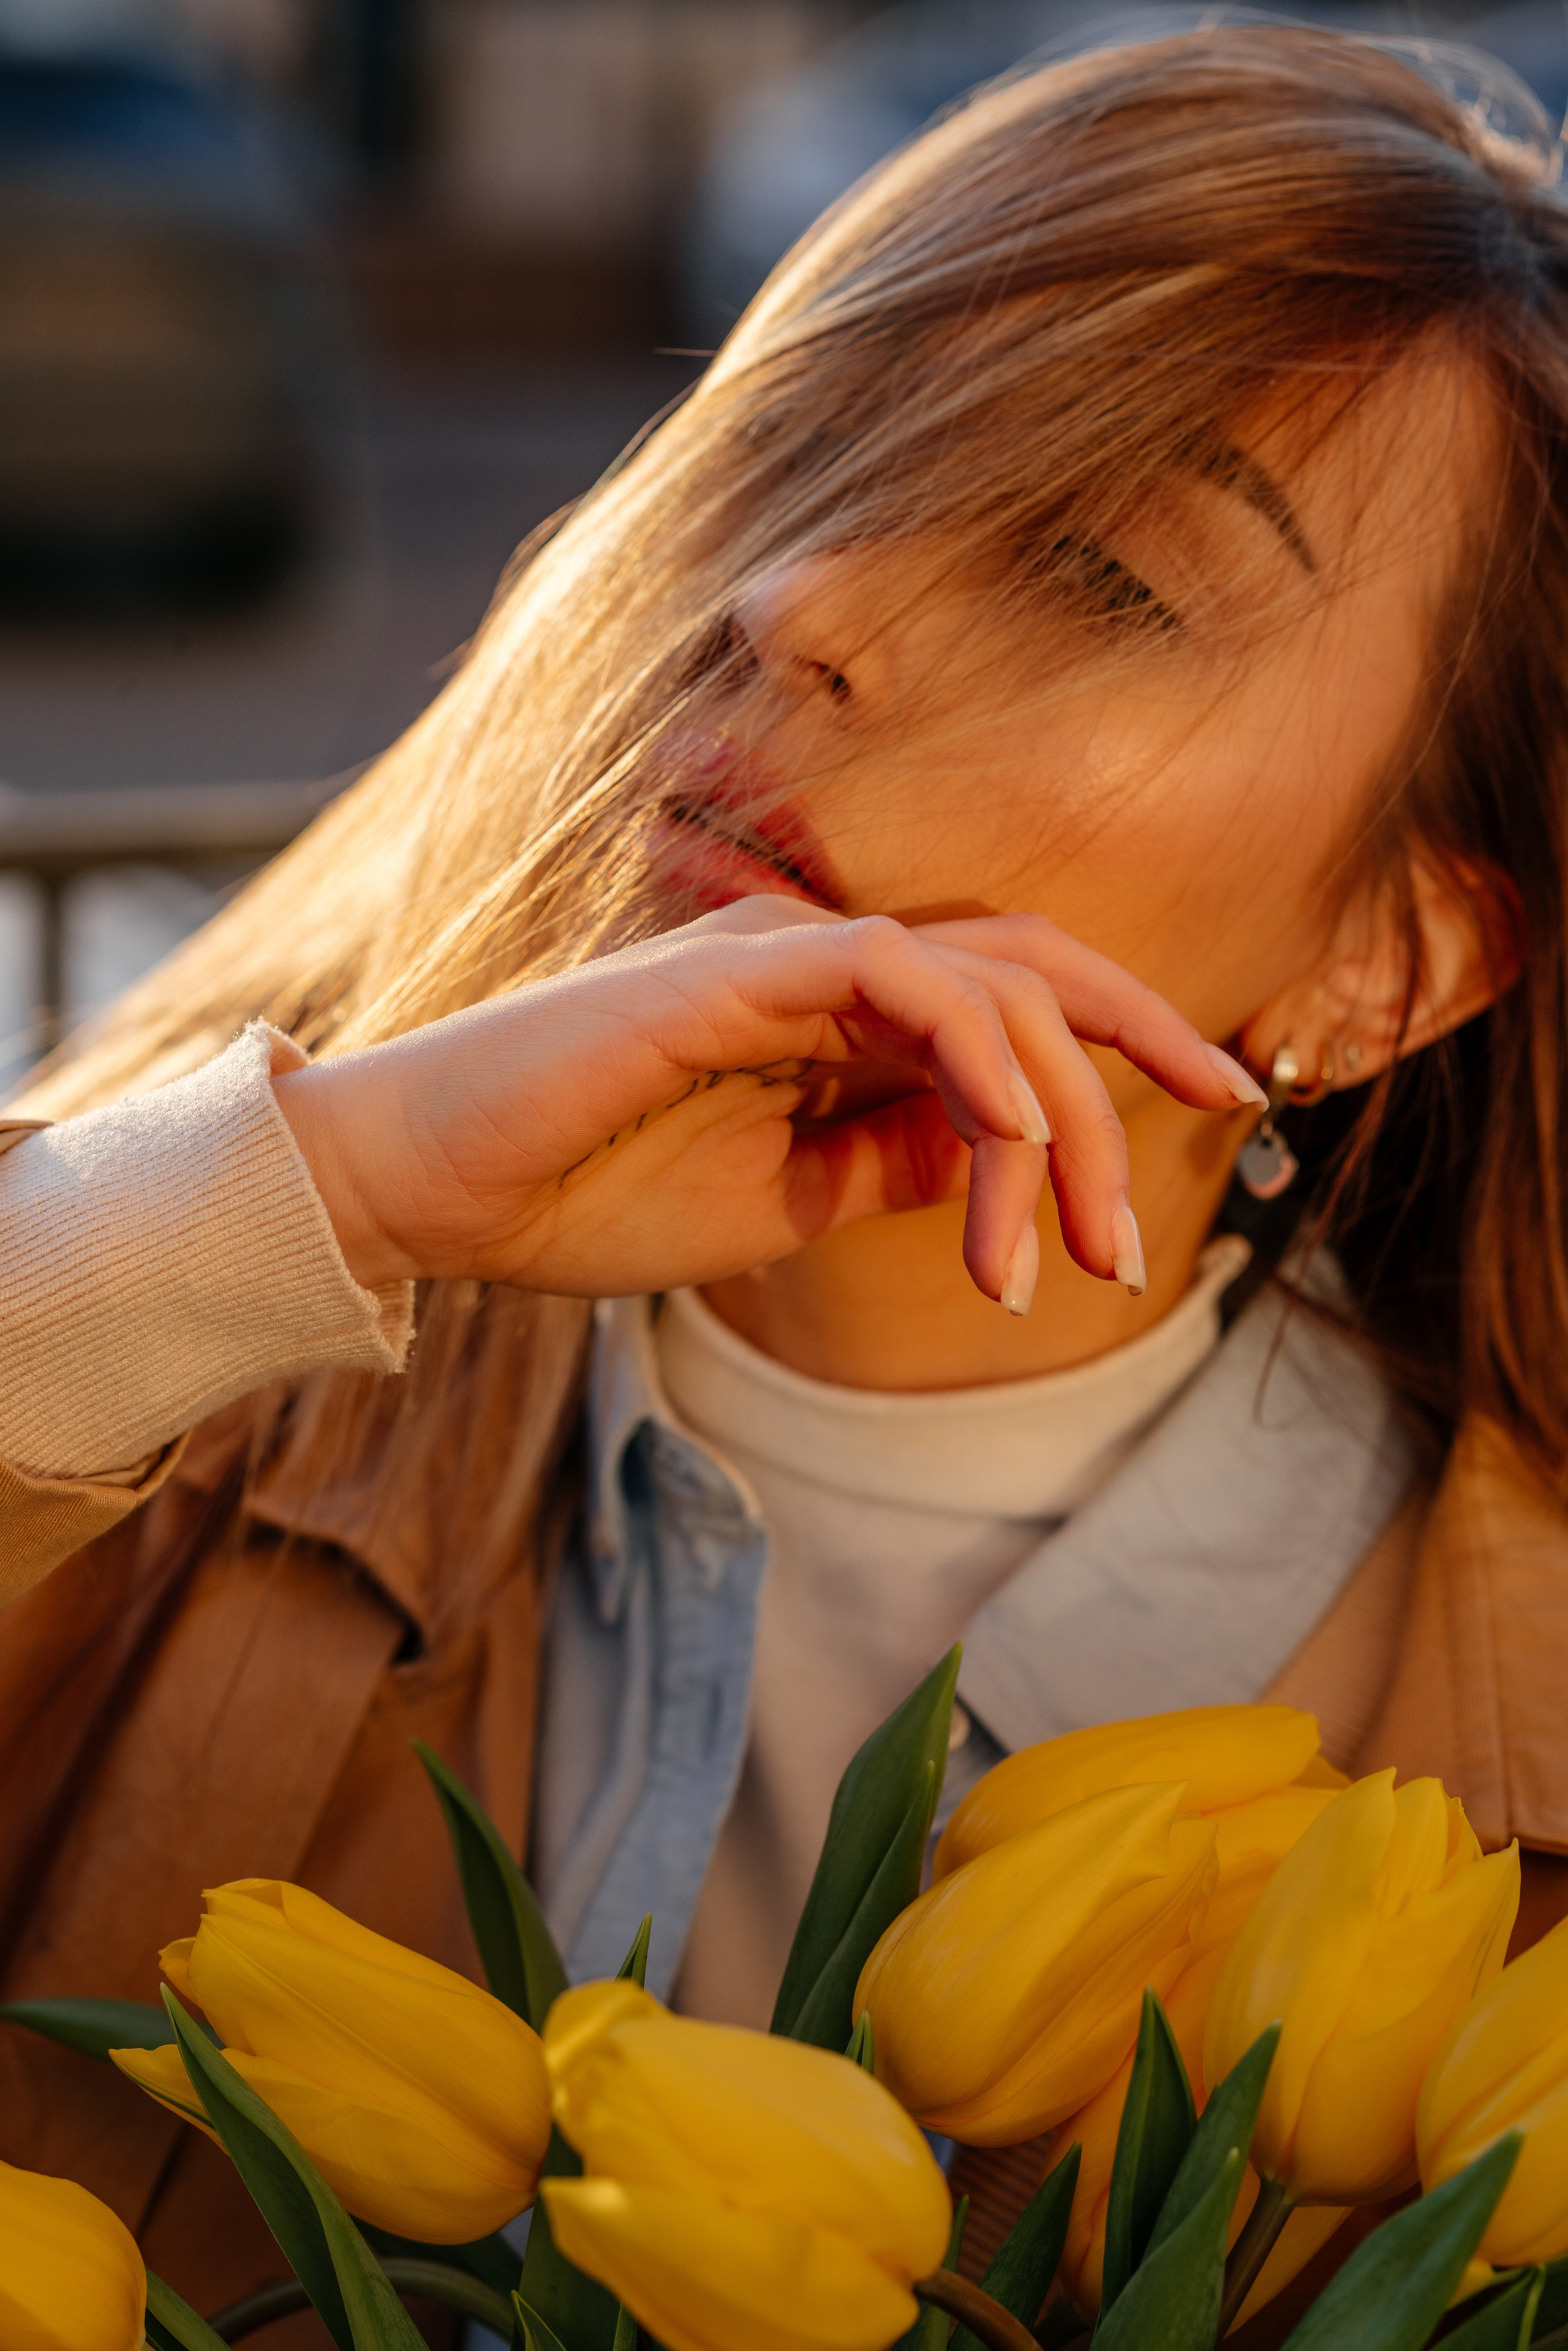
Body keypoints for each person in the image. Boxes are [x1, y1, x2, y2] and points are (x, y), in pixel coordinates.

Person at [4, 21, 1567, 2339]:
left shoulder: (1502, 1811)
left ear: (1399, 951)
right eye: (823, 440)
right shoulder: (176, 1334)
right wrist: (337, 1191)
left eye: (1102, 572)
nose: (798, 594)